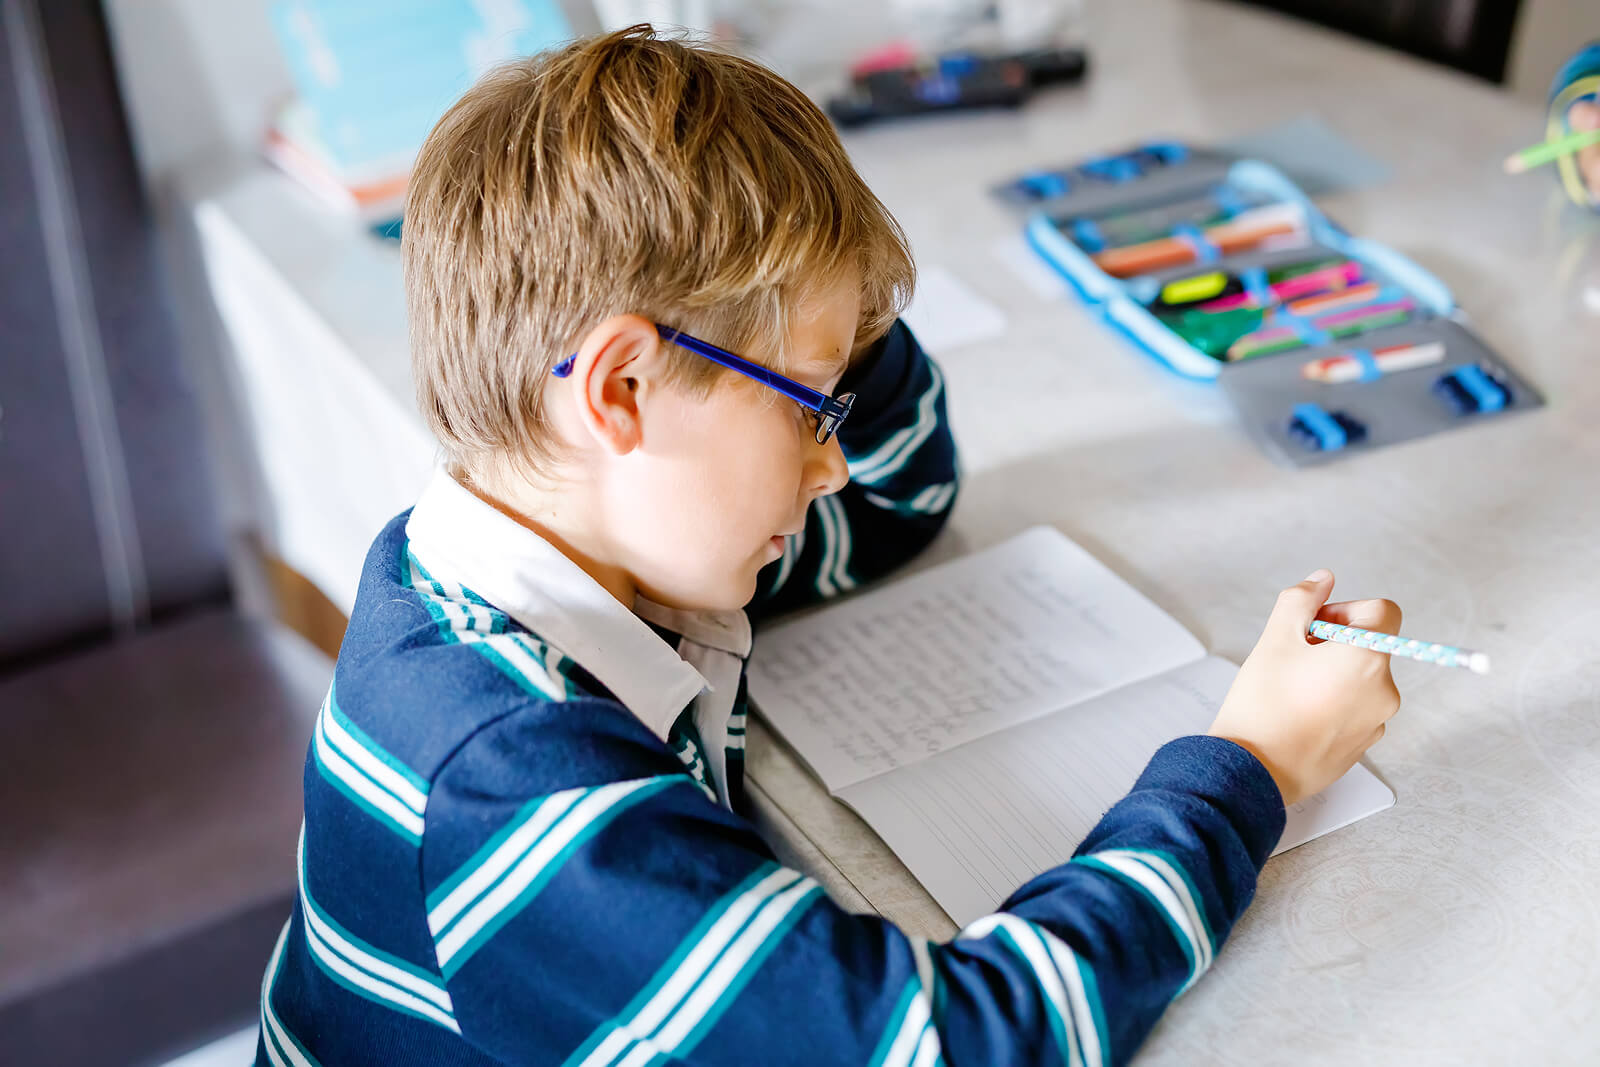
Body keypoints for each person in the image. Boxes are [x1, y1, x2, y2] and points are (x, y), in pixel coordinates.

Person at [255, 27, 1401, 1066]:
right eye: (810, 408)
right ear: (619, 390)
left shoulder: (559, 545)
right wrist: (1254, 765)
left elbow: (901, 505)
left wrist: (826, 310)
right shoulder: (506, 780)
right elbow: (959, 1044)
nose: (834, 461)